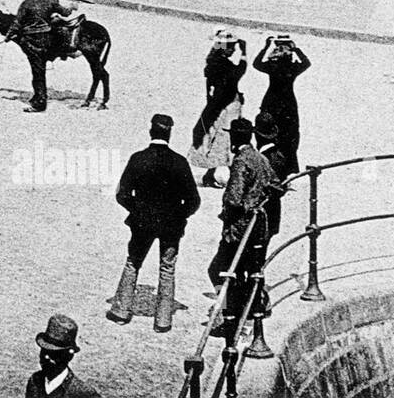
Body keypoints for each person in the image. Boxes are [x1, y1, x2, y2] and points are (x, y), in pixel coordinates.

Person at [108, 115, 201, 332]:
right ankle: (162, 321)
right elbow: (194, 201)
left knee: (133, 262)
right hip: (171, 226)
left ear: (151, 132)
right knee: (167, 268)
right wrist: (179, 215)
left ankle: (121, 311)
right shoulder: (180, 162)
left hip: (142, 224)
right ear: (169, 133)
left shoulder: (138, 158)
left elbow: (122, 194)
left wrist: (138, 210)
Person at [206, 118, 278, 338]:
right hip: (258, 227)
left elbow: (233, 198)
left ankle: (230, 316)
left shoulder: (241, 161)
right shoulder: (261, 159)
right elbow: (276, 185)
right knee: (248, 271)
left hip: (238, 229)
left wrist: (237, 204)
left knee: (219, 271)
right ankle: (251, 311)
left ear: (236, 138)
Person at [188, 29, 247, 189]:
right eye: (232, 46)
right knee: (226, 140)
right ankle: (232, 176)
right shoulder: (225, 65)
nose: (234, 49)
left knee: (214, 139)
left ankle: (211, 174)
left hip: (216, 105)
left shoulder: (212, 61)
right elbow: (238, 72)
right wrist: (244, 54)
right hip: (226, 107)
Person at [8, 0, 72, 113]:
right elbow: (65, 12)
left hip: (32, 42)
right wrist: (72, 7)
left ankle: (40, 102)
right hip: (48, 39)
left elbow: (17, 24)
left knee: (37, 72)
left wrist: (8, 36)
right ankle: (38, 96)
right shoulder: (50, 0)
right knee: (39, 70)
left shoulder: (26, 4)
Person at [252, 34, 310, 171]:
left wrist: (265, 47)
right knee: (290, 135)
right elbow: (306, 63)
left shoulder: (272, 66)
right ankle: (290, 167)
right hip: (288, 103)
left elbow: (256, 63)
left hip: (271, 102)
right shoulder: (291, 67)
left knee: (268, 133)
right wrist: (296, 50)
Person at [25, 314, 101, 398]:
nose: (46, 357)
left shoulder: (83, 393)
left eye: (54, 354)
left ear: (69, 356)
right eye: (44, 351)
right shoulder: (35, 381)